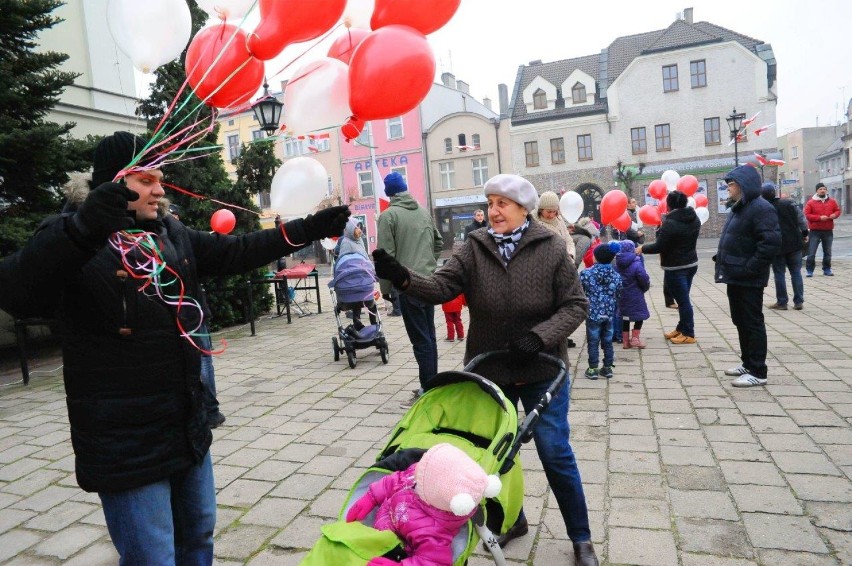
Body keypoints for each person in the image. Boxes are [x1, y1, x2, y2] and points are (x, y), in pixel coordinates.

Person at [0, 131, 350, 563]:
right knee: (153, 557)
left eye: (160, 179)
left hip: (186, 425)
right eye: (147, 180)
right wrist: (84, 229)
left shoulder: (170, 232)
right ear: (115, 181)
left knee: (199, 539)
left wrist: (304, 229)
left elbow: (237, 250)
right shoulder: (69, 233)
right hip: (126, 442)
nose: (160, 189)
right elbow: (18, 289)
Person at [372, 173, 599, 566]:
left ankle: (581, 539)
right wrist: (404, 277)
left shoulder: (548, 247)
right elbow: (442, 287)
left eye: (502, 204)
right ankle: (513, 520)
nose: (493, 212)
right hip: (491, 370)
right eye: (490, 203)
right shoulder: (474, 247)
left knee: (554, 450)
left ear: (523, 209)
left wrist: (540, 336)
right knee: (495, 454)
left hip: (542, 367)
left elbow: (576, 305)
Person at [376, 171, 443, 406]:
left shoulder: (388, 216)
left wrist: (386, 288)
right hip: (429, 282)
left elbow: (385, 256)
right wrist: (428, 265)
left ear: (389, 193)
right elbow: (438, 242)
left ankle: (428, 390)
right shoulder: (423, 212)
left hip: (407, 284)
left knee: (420, 340)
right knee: (430, 337)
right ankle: (433, 384)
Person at [714, 165, 780, 387]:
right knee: (740, 320)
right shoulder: (740, 207)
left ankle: (758, 370)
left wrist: (750, 268)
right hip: (736, 274)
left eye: (730, 185)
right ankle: (748, 363)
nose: (728, 190)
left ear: (743, 185)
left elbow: (769, 244)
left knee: (752, 322)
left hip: (748, 277)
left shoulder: (761, 208)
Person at [164, 199, 227, 429]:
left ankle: (205, 409)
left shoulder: (174, 241)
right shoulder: (177, 244)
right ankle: (209, 410)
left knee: (200, 360)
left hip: (189, 311)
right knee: (202, 360)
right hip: (189, 312)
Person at [638, 191, 701, 344]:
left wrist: (642, 248)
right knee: (683, 299)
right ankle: (681, 327)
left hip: (676, 267)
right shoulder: (694, 219)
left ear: (669, 204)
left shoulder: (670, 223)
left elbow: (659, 246)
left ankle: (688, 333)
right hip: (691, 263)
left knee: (683, 301)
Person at [536, 191, 578, 348]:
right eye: (549, 211)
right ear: (541, 210)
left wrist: (570, 256)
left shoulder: (559, 221)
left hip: (564, 266)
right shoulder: (537, 224)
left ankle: (562, 335)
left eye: (554, 211)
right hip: (546, 270)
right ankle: (551, 336)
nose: (552, 214)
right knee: (550, 305)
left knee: (564, 303)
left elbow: (569, 240)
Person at [761, 182, 808, 310]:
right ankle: (798, 301)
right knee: (796, 272)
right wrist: (804, 233)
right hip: (794, 242)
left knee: (779, 273)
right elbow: (801, 219)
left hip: (777, 245)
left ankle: (782, 302)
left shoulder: (765, 208)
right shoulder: (788, 203)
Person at [580, 242, 622, 380]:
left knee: (593, 341)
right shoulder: (616, 275)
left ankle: (593, 369)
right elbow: (619, 293)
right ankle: (608, 368)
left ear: (595, 258)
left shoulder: (586, 273)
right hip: (609, 313)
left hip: (592, 313)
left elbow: (580, 292)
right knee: (608, 341)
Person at [614, 240, 651, 348]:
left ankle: (625, 341)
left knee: (625, 317)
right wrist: (644, 288)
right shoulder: (636, 263)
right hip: (636, 294)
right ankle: (635, 339)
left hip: (622, 296)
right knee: (639, 316)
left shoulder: (617, 263)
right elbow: (643, 278)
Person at [803, 182, 841, 277]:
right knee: (811, 252)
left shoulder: (832, 201)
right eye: (820, 189)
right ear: (817, 191)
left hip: (828, 230)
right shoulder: (811, 202)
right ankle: (810, 270)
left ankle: (827, 269)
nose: (822, 190)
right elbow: (807, 215)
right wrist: (819, 218)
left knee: (827, 252)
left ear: (826, 190)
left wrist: (835, 215)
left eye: (824, 189)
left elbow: (837, 210)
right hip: (815, 231)